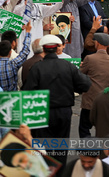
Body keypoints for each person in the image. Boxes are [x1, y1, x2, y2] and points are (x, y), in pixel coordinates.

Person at [23, 35, 91, 170]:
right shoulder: (68, 66)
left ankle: (45, 172)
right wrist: (72, 87)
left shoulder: (37, 68)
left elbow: (27, 92)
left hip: (42, 112)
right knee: (61, 146)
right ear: (56, 49)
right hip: (63, 112)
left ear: (44, 49)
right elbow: (85, 85)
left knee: (43, 148)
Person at [79, 33, 109, 138]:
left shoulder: (90, 58)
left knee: (84, 127)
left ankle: (87, 151)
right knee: (102, 128)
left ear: (98, 43)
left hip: (90, 100)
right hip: (105, 100)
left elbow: (81, 74)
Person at [0, 22, 31, 91]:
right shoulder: (13, 64)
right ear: (10, 52)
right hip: (12, 98)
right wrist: (28, 32)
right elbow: (25, 51)